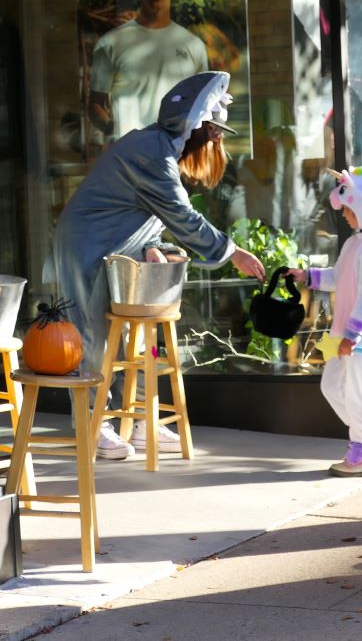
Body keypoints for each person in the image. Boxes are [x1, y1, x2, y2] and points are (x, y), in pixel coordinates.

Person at [45, 71, 265, 460]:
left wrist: (154, 245)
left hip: (121, 246)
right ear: (195, 125)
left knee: (138, 340)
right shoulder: (152, 152)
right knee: (94, 338)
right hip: (87, 245)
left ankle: (144, 420)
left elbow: (144, 211)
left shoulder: (160, 148)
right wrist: (233, 253)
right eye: (214, 130)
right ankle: (95, 427)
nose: (217, 139)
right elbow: (179, 213)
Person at [287, 168, 362, 477]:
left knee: (360, 393)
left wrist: (353, 336)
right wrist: (307, 277)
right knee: (332, 386)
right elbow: (337, 277)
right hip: (343, 334)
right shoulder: (357, 243)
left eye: (349, 209)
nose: (343, 214)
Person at [88, 0, 209, 143]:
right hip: (130, 161)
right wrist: (117, 135)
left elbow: (204, 105)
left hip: (178, 160)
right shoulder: (110, 44)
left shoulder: (194, 46)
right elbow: (95, 105)